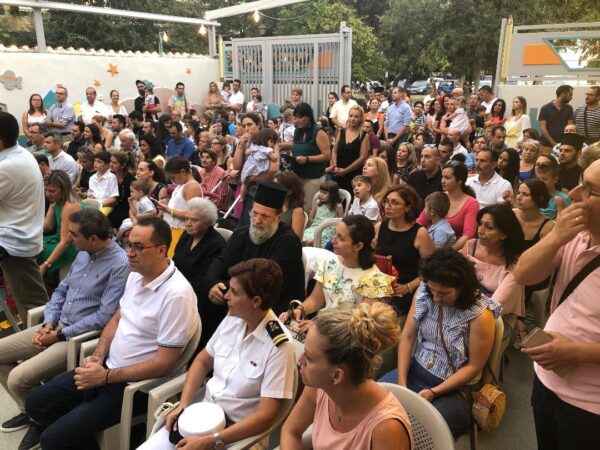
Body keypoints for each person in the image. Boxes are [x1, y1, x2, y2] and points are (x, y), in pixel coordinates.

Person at [22, 217, 199, 449]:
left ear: (161, 250)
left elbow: (164, 365)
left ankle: (74, 430)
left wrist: (105, 377)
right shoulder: (137, 275)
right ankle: (77, 427)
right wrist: (98, 355)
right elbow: (116, 318)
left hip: (134, 387)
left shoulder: (177, 296)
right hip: (106, 367)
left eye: (138, 247)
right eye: (129, 244)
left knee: (52, 440)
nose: (129, 253)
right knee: (35, 403)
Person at [140, 258, 295, 450]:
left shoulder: (279, 346)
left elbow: (265, 416)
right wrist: (183, 404)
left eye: (234, 292)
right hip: (202, 416)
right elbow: (203, 362)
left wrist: (210, 441)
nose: (227, 296)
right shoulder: (234, 318)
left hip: (237, 436)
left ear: (256, 301)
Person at [0, 209, 129, 435]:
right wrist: (49, 323)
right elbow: (61, 291)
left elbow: (103, 317)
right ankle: (34, 412)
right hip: (57, 326)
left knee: (17, 379)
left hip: (77, 337)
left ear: (93, 239)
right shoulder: (83, 252)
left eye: (73, 234)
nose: (68, 238)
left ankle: (40, 418)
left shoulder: (120, 264)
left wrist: (59, 335)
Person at [514, 159, 600, 450]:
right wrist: (556, 238)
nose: (573, 194)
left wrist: (576, 352)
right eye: (580, 182)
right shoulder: (576, 235)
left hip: (590, 407)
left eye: (589, 190)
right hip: (547, 382)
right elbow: (523, 274)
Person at [380, 249, 502, 438]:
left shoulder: (480, 315)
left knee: (423, 429)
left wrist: (434, 392)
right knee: (376, 400)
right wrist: (402, 382)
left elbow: (474, 367)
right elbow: (407, 337)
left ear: (462, 288)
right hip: (417, 369)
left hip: (455, 387)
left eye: (444, 293)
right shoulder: (424, 292)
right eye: (432, 290)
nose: (436, 298)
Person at [281, 302, 413, 450]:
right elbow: (291, 432)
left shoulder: (387, 429)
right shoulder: (319, 387)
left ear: (337, 375)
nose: (300, 360)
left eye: (309, 358)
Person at [205, 181, 305, 316]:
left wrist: (224, 289)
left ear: (278, 217)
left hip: (269, 307)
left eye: (264, 216)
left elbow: (263, 278)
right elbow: (222, 259)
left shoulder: (289, 242)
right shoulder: (241, 233)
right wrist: (213, 282)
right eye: (254, 213)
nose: (257, 221)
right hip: (236, 297)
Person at [283, 215, 394, 328]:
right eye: (335, 234)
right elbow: (315, 299)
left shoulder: (374, 279)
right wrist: (300, 310)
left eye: (340, 238)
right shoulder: (329, 263)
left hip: (347, 333)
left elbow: (358, 321)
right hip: (322, 326)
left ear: (358, 246)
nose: (333, 240)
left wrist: (319, 326)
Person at [0, 112, 49, 321]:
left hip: (14, 244)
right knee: (29, 304)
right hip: (18, 238)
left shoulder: (7, 166)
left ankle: (44, 338)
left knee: (34, 308)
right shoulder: (20, 154)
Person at [461, 204, 525, 339]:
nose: (480, 231)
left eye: (489, 227)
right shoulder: (470, 246)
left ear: (504, 234)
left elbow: (494, 307)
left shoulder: (513, 265)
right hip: (464, 304)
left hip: (497, 317)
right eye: (480, 224)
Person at [172, 198, 226, 350]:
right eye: (187, 218)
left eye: (194, 220)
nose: (188, 223)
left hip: (198, 299)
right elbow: (175, 262)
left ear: (208, 222)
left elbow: (204, 279)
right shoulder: (186, 236)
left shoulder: (216, 244)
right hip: (177, 289)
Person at [375, 185, 435, 315]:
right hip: (381, 285)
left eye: (394, 203)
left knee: (381, 315)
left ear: (408, 207)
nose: (387, 206)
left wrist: (408, 287)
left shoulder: (420, 233)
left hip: (407, 289)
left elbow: (430, 270)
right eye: (386, 201)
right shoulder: (380, 227)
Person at [512, 178, 555, 345]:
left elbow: (542, 259)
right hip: (509, 266)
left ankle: (518, 325)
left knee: (517, 281)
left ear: (539, 198)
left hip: (534, 273)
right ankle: (520, 325)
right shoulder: (512, 215)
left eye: (525, 194)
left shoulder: (548, 225)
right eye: (519, 193)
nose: (519, 197)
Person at [37, 170, 86, 283]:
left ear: (63, 189)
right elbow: (47, 226)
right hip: (58, 240)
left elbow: (65, 242)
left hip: (74, 245)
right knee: (31, 247)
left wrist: (45, 265)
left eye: (52, 191)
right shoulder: (57, 201)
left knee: (34, 253)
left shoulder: (70, 207)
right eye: (46, 190)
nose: (47, 194)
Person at [157, 157, 203, 257]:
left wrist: (167, 209)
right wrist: (167, 203)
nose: (172, 181)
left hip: (181, 232)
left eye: (173, 177)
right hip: (172, 229)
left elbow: (192, 214)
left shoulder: (192, 187)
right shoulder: (182, 184)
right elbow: (180, 205)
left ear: (182, 172)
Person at [290, 103, 331, 211]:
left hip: (313, 178)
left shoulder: (319, 131)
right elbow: (295, 146)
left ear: (308, 117)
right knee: (297, 208)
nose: (297, 121)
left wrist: (307, 159)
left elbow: (327, 156)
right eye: (295, 117)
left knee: (308, 209)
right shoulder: (298, 130)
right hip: (298, 176)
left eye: (300, 117)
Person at [329, 105, 370, 193]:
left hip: (353, 174)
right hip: (337, 172)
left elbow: (362, 158)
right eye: (351, 116)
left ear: (361, 119)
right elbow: (334, 151)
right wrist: (335, 167)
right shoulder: (342, 131)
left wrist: (345, 171)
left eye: (356, 116)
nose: (353, 119)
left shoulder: (364, 135)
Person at [241, 128, 279, 201]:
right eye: (272, 141)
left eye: (274, 142)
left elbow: (246, 152)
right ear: (265, 139)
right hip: (259, 169)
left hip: (248, 167)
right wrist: (276, 150)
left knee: (244, 184)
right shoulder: (267, 150)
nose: (273, 144)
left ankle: (242, 197)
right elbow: (274, 158)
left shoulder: (255, 146)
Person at [304, 181, 344, 246]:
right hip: (315, 228)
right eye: (320, 192)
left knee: (310, 241)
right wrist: (316, 223)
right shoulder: (318, 203)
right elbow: (310, 219)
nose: (321, 195)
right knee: (301, 237)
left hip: (327, 231)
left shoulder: (338, 206)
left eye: (324, 193)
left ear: (332, 194)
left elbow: (340, 222)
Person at [538, 85, 575, 153]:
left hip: (563, 146)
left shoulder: (569, 108)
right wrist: (554, 143)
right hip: (546, 145)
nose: (572, 97)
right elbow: (543, 128)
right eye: (570, 95)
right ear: (563, 94)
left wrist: (565, 143)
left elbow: (570, 127)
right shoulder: (545, 108)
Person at [107, 150, 137, 230]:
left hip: (125, 209)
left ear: (123, 165)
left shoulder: (131, 180)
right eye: (110, 161)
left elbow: (133, 200)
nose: (111, 165)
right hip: (111, 205)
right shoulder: (110, 176)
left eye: (114, 163)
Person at [535, 154, 571, 220]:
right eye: (538, 179)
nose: (540, 182)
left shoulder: (564, 198)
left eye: (544, 179)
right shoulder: (533, 195)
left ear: (555, 180)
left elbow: (565, 221)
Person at [274, 171, 305, 239]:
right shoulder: (272, 205)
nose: (273, 189)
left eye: (277, 186)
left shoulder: (297, 211)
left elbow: (295, 239)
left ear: (289, 192)